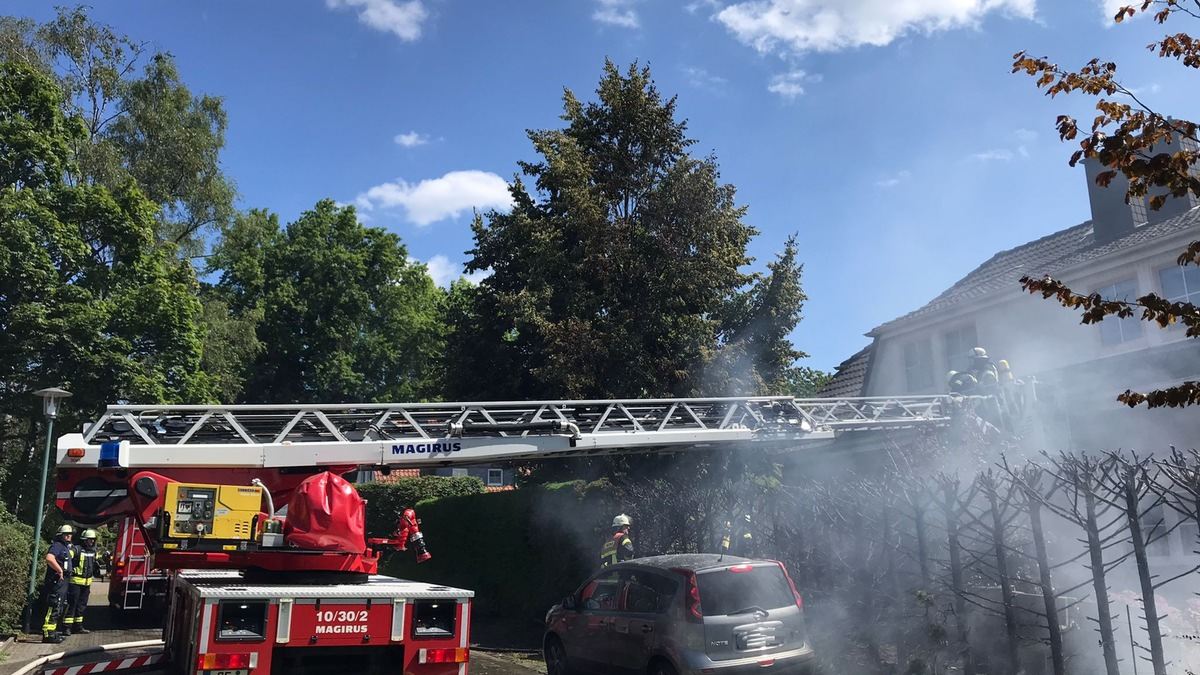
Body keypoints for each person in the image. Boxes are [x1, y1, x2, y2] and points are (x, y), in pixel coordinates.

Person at [40, 524, 74, 643]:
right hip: (57, 582)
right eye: (66, 534)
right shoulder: (57, 546)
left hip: (63, 582)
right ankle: (48, 634)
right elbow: (49, 558)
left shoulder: (65, 547)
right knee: (54, 605)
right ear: (61, 535)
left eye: (70, 534)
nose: (69, 536)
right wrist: (59, 570)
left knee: (58, 607)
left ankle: (52, 633)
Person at [63, 529, 99, 635]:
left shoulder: (93, 551)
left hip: (87, 583)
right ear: (84, 540)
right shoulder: (76, 550)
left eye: (93, 540)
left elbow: (95, 563)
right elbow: (66, 558)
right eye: (90, 540)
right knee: (72, 605)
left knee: (81, 606)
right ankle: (66, 628)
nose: (92, 542)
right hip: (75, 583)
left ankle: (78, 627)